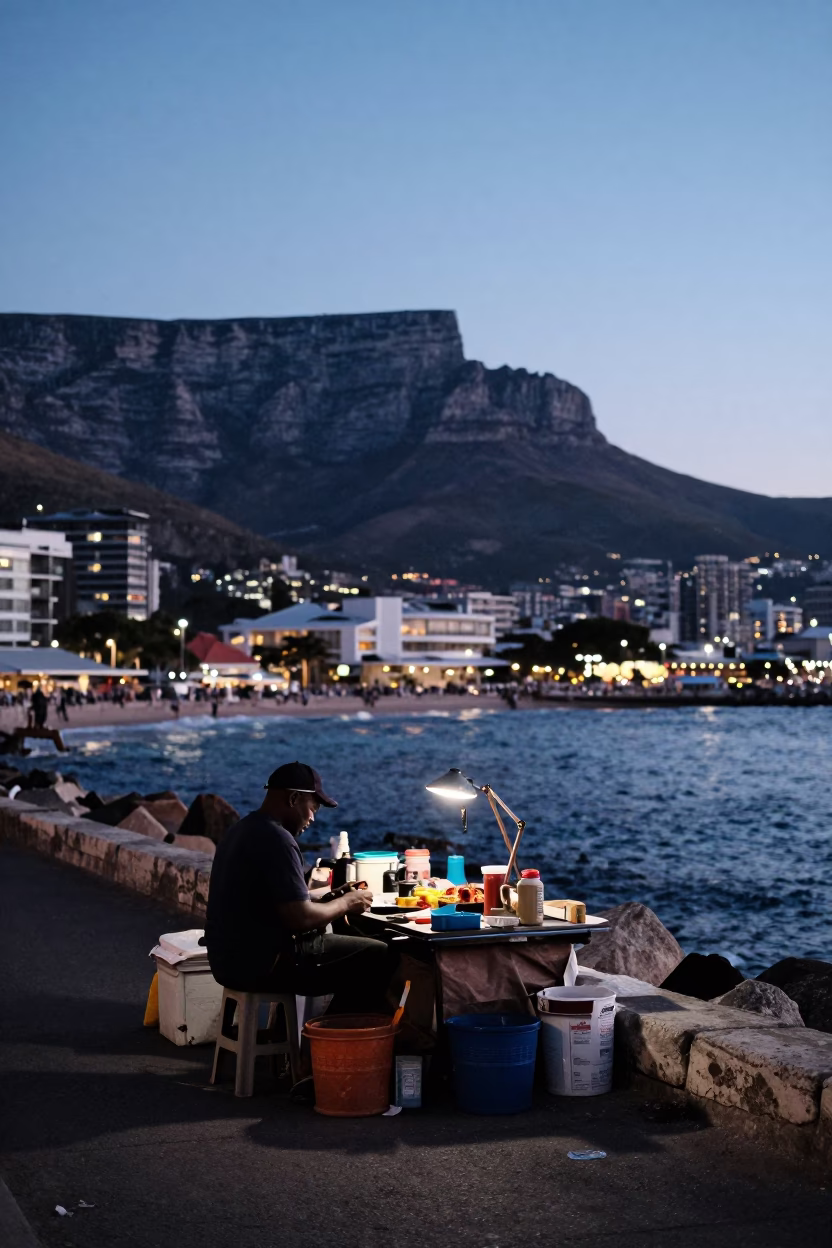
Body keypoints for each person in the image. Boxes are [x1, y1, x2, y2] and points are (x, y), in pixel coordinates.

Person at [205, 761, 396, 1017]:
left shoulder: (241, 830)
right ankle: (332, 1043)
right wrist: (348, 903)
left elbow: (276, 904)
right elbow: (300, 918)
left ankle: (327, 1039)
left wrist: (333, 897)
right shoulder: (279, 840)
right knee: (380, 955)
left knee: (360, 951)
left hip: (227, 961)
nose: (313, 818)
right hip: (264, 965)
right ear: (294, 798)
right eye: (313, 807)